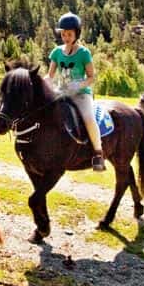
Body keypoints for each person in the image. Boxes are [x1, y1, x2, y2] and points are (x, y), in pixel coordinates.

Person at [48, 13, 105, 171]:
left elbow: (92, 77)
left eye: (69, 34)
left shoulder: (84, 53)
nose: (66, 37)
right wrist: (42, 84)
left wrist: (78, 85)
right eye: (63, 34)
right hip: (61, 92)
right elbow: (50, 75)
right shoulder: (56, 52)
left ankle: (98, 153)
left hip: (81, 94)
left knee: (88, 118)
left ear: (76, 34)